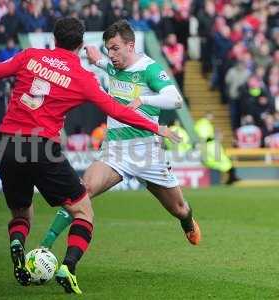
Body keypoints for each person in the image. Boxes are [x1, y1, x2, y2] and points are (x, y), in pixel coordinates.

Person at [0, 17, 180, 294]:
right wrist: (156, 127)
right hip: (42, 147)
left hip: (8, 144)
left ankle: (18, 243)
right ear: (81, 45)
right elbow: (118, 111)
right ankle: (68, 266)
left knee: (21, 212)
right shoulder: (82, 78)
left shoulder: (30, 56)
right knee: (83, 211)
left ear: (53, 39)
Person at [40, 20, 201, 253]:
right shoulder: (114, 65)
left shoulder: (150, 69)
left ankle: (187, 221)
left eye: (115, 48)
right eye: (108, 49)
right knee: (81, 191)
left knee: (179, 208)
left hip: (147, 152)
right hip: (114, 150)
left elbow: (174, 99)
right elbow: (106, 65)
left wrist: (144, 100)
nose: (111, 54)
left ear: (130, 46)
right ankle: (45, 246)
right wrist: (96, 59)